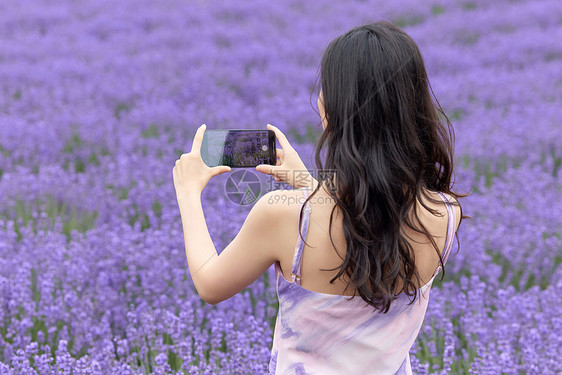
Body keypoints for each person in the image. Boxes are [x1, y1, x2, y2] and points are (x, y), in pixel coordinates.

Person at [173, 20, 466, 375]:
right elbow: (367, 223)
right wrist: (307, 184)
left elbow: (210, 284)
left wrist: (188, 192)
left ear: (334, 112)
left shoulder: (283, 218)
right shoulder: (445, 214)